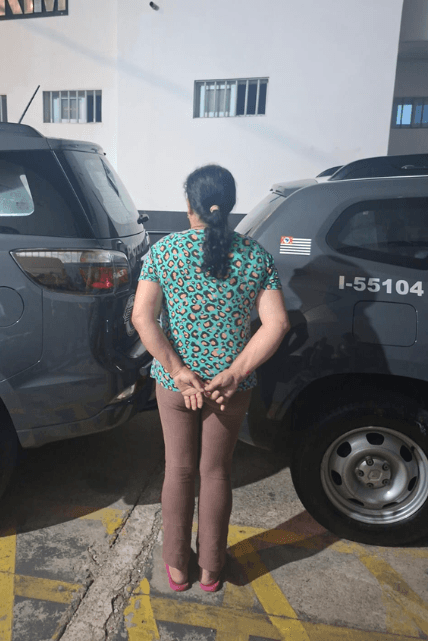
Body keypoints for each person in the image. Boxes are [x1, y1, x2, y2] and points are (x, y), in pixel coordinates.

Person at [132, 164, 290, 592]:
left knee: (179, 470)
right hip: (230, 390)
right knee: (216, 472)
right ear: (231, 204)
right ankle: (211, 569)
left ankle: (177, 566)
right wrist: (236, 372)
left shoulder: (165, 252)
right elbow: (277, 323)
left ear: (190, 205)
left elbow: (142, 317)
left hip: (176, 385)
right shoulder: (256, 256)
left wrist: (178, 370)